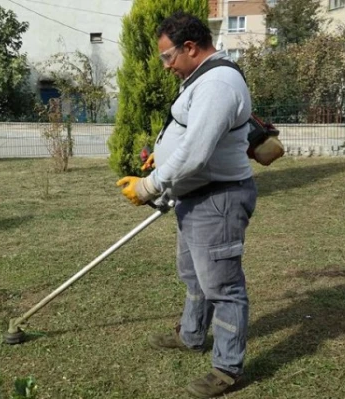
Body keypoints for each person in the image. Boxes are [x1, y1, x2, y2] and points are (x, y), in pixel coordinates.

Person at [116, 11, 258, 399]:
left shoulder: (218, 84)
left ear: (190, 48)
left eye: (167, 57)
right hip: (195, 198)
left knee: (223, 287)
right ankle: (193, 334)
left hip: (218, 200)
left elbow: (195, 153)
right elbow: (189, 136)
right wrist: (162, 158)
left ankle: (227, 368)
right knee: (194, 275)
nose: (166, 66)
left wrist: (150, 186)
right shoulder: (203, 78)